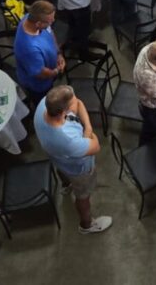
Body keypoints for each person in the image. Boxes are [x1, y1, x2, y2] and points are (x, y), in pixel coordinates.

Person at [35, 85, 112, 234]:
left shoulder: (44, 104)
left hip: (58, 159)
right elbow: (95, 146)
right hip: (79, 170)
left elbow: (79, 103)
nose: (77, 102)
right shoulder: (68, 140)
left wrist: (87, 128)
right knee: (83, 196)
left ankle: (66, 185)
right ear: (64, 112)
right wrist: (88, 135)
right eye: (73, 102)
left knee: (62, 170)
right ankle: (86, 225)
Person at [13, 0, 64, 107]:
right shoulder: (29, 48)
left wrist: (58, 53)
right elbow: (41, 74)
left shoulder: (29, 17)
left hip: (49, 72)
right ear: (38, 24)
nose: (53, 21)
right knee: (44, 105)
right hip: (39, 86)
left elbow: (50, 32)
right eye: (50, 21)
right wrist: (57, 71)